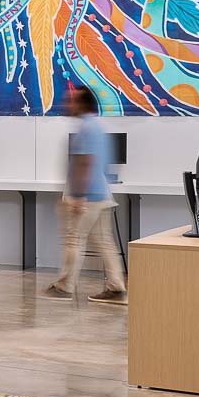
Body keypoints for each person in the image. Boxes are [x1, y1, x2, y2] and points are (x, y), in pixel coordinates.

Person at [47, 84, 127, 305]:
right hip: (101, 193)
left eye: (71, 100)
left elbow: (85, 163)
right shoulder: (97, 127)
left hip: (88, 196)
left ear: (82, 104)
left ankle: (64, 286)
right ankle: (116, 287)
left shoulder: (87, 129)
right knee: (105, 242)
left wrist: (78, 196)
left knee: (73, 238)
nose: (67, 104)